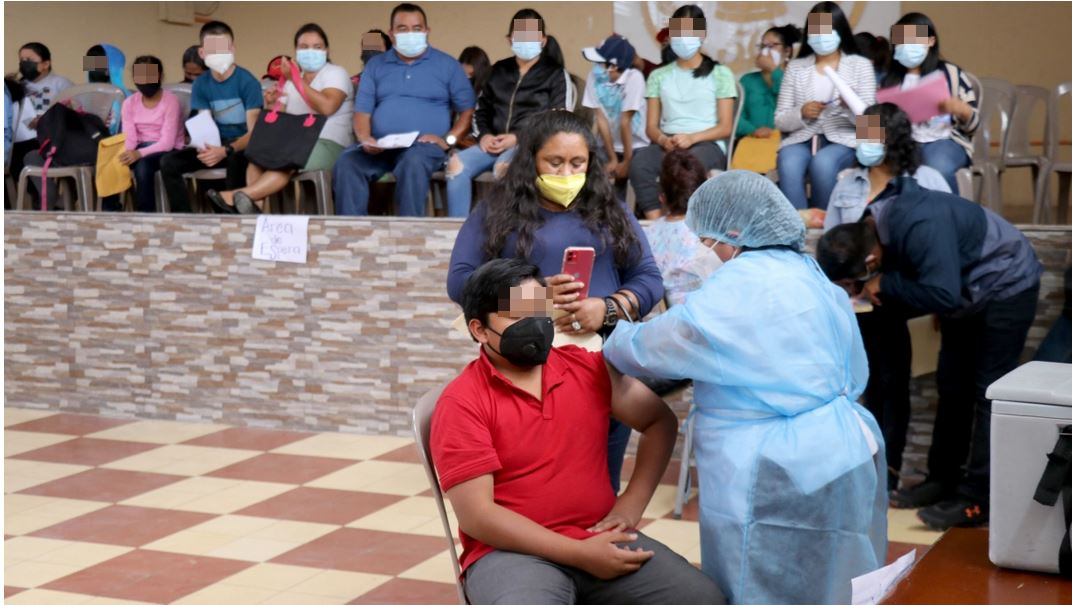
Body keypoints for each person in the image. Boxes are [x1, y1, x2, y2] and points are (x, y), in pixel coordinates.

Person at [603, 170, 887, 604]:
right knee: (831, 578)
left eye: (706, 240)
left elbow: (663, 344)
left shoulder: (739, 285)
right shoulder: (810, 273)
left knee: (759, 580)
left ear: (733, 234)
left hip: (773, 464)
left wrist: (611, 334)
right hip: (843, 448)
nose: (702, 251)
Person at [435, 258, 725, 605]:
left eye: (540, 311)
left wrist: (630, 506)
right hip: (511, 552)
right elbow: (478, 517)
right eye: (519, 316)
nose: (535, 324)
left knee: (703, 599)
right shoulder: (462, 402)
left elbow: (658, 422)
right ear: (480, 330)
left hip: (596, 535)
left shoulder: (587, 367)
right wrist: (579, 553)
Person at [447, 110, 665, 493]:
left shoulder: (610, 210)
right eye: (554, 162)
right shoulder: (496, 211)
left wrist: (607, 308)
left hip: (603, 367)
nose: (566, 174)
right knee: (535, 484)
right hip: (524, 369)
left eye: (577, 163)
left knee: (601, 482)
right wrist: (533, 296)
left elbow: (648, 279)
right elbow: (460, 281)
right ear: (531, 159)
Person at [818, 176, 1042, 530]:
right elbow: (942, 288)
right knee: (952, 386)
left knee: (988, 392)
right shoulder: (871, 225)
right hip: (964, 293)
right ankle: (942, 479)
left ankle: (977, 497)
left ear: (871, 260)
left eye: (856, 281)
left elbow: (943, 294)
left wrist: (886, 283)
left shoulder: (920, 224)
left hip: (1005, 284)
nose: (857, 289)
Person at [332, 3, 475, 216]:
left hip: (423, 149)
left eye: (417, 29)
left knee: (413, 162)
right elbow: (362, 112)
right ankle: (351, 232)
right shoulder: (375, 66)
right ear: (391, 34)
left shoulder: (447, 65)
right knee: (347, 162)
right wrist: (365, 138)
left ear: (427, 31)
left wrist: (448, 141)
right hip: (380, 148)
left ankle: (410, 233)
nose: (410, 34)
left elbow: (467, 111)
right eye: (402, 29)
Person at [206, 23, 353, 214]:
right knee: (257, 157)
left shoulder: (335, 73)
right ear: (296, 51)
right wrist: (271, 104)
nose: (311, 52)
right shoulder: (291, 82)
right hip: (294, 141)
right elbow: (280, 121)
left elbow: (327, 106)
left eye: (317, 47)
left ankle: (234, 196)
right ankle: (255, 210)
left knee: (285, 161)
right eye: (304, 47)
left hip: (328, 142)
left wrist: (295, 79)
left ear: (326, 50)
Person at [445, 9, 567, 218]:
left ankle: (506, 230)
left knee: (505, 168)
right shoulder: (497, 70)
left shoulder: (555, 74)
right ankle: (458, 230)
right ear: (510, 39)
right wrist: (484, 136)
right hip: (492, 143)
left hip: (530, 146)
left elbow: (558, 120)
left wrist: (518, 138)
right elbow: (481, 110)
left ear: (543, 40)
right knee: (456, 165)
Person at [629, 4, 738, 220]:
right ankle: (656, 221)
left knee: (686, 166)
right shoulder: (658, 75)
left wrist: (692, 138)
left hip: (706, 144)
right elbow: (651, 127)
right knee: (640, 163)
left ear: (702, 34)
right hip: (668, 143)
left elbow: (725, 127)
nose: (682, 37)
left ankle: (686, 224)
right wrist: (663, 140)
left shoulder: (721, 73)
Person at [775, 1, 876, 210]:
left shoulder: (860, 65)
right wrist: (802, 113)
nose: (821, 36)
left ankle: (826, 224)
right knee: (788, 162)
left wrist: (850, 106)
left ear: (840, 31)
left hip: (844, 139)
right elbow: (780, 119)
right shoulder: (796, 67)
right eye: (815, 29)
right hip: (802, 139)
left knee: (823, 163)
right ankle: (798, 224)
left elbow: (871, 121)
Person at [159, 20, 263, 213]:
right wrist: (207, 149)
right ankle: (185, 218)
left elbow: (254, 134)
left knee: (235, 159)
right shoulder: (201, 84)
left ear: (232, 49)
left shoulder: (248, 82)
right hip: (217, 144)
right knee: (169, 163)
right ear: (202, 52)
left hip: (242, 146)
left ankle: (232, 217)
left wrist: (226, 150)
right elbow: (204, 125)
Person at [883, 13, 979, 193]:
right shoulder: (888, 80)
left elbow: (974, 125)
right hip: (904, 144)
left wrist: (962, 110)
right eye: (901, 40)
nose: (907, 45)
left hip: (944, 140)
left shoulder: (951, 73)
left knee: (937, 165)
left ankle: (947, 210)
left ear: (931, 41)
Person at [825, 103, 950, 230]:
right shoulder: (846, 185)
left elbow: (950, 227)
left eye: (872, 135)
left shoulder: (929, 180)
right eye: (863, 135)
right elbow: (831, 235)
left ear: (894, 139)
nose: (865, 143)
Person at [644, 149, 721, 307]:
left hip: (658, 317)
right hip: (705, 314)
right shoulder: (715, 237)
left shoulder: (646, 234)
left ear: (662, 197)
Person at [581, 34, 649, 202]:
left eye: (600, 63)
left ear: (614, 66)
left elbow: (626, 121)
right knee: (595, 176)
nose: (596, 67)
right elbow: (601, 119)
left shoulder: (634, 78)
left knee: (637, 172)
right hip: (608, 144)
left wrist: (626, 161)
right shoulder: (594, 77)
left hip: (637, 145)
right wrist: (612, 158)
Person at [119, 55, 184, 213]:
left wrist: (138, 154)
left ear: (160, 76)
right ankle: (110, 211)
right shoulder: (129, 103)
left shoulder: (171, 101)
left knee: (143, 166)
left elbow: (167, 143)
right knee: (113, 163)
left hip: (167, 150)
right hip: (139, 147)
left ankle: (146, 215)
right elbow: (129, 138)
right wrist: (126, 153)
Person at [736, 24, 800, 140]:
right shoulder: (748, 80)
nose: (765, 51)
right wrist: (753, 131)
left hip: (787, 141)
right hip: (752, 140)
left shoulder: (797, 79)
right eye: (763, 46)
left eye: (772, 46)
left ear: (787, 51)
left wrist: (774, 70)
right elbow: (735, 116)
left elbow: (796, 109)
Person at [456, 46, 492, 149]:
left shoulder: (489, 88)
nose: (467, 77)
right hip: (463, 137)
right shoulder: (459, 86)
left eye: (471, 74)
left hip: (483, 137)